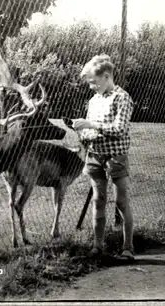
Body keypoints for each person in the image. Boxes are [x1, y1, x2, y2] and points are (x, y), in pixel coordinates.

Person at [71, 54, 135, 260]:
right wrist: (84, 130)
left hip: (116, 156)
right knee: (98, 200)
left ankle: (128, 247)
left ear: (106, 76)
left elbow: (119, 129)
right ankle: (97, 246)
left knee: (121, 201)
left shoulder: (122, 97)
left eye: (93, 82)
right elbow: (88, 133)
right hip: (95, 156)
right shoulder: (94, 100)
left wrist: (92, 126)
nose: (91, 86)